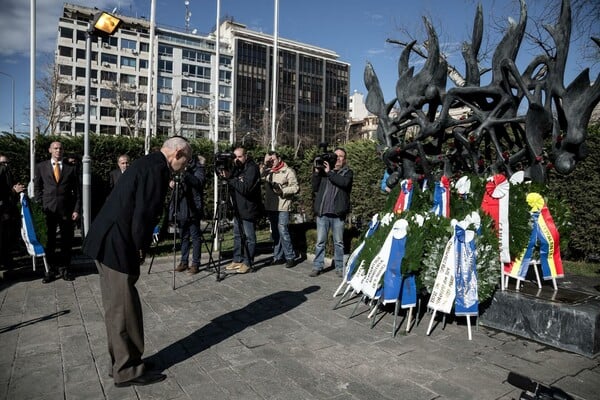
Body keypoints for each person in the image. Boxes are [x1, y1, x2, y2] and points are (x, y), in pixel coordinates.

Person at [82, 136, 192, 388]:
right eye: (185, 161)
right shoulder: (158, 169)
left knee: (118, 308)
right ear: (177, 153)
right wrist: (140, 248)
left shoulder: (148, 162)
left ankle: (122, 362)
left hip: (109, 240)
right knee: (123, 309)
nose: (184, 167)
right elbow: (143, 213)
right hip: (117, 244)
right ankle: (127, 369)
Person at [34, 141, 81, 283]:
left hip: (66, 210)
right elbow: (37, 188)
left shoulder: (70, 168)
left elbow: (77, 192)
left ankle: (65, 269)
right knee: (49, 241)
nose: (58, 150)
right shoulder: (41, 167)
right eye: (55, 148)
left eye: (60, 148)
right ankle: (50, 270)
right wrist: (40, 205)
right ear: (50, 150)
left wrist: (76, 209)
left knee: (66, 241)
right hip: (48, 210)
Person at [310, 147, 353, 278]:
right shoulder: (324, 172)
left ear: (344, 160)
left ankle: (339, 267)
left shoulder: (347, 172)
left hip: (337, 213)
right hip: (323, 213)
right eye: (336, 156)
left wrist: (329, 173)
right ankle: (317, 266)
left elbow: (344, 183)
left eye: (341, 156)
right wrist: (317, 172)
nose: (338, 158)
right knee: (320, 241)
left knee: (338, 242)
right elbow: (314, 188)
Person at [218, 147, 262, 274]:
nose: (237, 159)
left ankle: (248, 262)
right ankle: (237, 259)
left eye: (239, 157)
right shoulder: (237, 168)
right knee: (237, 235)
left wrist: (231, 179)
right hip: (237, 208)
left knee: (249, 237)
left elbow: (245, 188)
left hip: (248, 208)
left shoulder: (251, 169)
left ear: (246, 156)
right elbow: (229, 178)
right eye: (235, 157)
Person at [261, 151, 299, 268]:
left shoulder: (288, 171)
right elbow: (259, 177)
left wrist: (283, 191)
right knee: (276, 233)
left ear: (279, 158)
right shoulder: (268, 172)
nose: (272, 162)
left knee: (283, 231)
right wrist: (265, 163)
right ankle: (278, 257)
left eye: (273, 160)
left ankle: (290, 257)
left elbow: (295, 187)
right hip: (271, 206)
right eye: (270, 160)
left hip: (283, 206)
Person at [171, 154, 206, 275]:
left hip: (193, 207)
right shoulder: (178, 166)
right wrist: (172, 183)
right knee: (183, 236)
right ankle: (183, 261)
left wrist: (185, 173)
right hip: (181, 206)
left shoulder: (198, 167)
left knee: (195, 236)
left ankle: (196, 263)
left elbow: (198, 182)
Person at [0, 155, 25, 269]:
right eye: (2, 163)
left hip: (9, 212)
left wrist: (17, 190)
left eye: (7, 163)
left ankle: (7, 261)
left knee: (8, 239)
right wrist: (13, 191)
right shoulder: (3, 172)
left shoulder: (8, 173)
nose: (5, 166)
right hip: (3, 212)